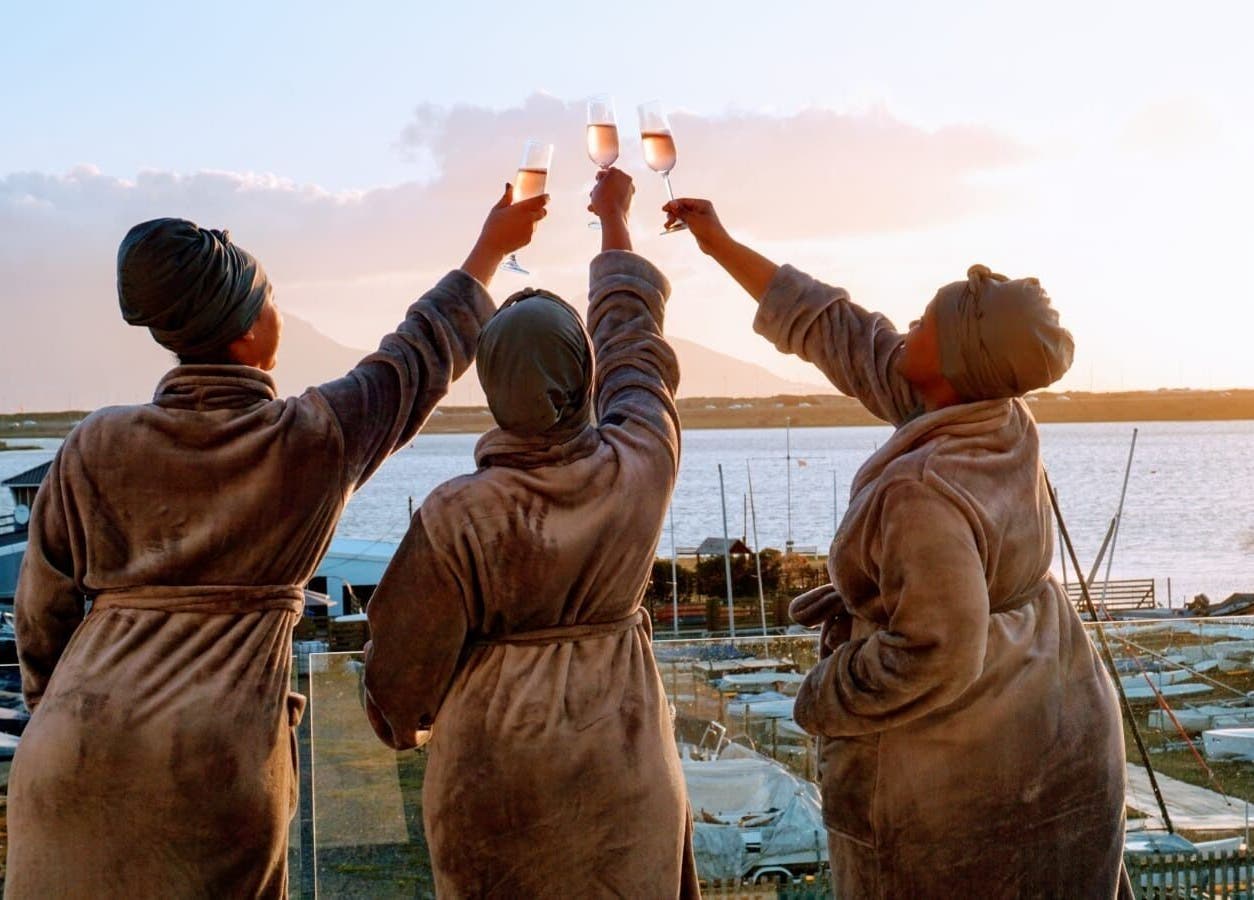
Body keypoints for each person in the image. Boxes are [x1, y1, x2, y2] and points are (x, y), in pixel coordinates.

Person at [6, 185, 547, 899]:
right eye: (270, 300)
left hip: (69, 757)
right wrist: (488, 253)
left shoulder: (95, 443)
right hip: (214, 769)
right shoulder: (311, 438)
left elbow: (41, 617)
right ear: (246, 334)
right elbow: (418, 356)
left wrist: (59, 713)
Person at [664, 198, 1130, 899]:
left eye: (927, 322)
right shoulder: (991, 412)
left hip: (958, 773)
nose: (907, 324)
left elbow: (933, 649)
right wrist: (718, 242)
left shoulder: (922, 488)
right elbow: (836, 328)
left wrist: (824, 694)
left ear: (956, 361)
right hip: (1058, 722)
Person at [363, 168, 699, 899]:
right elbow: (635, 343)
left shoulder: (458, 515)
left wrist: (405, 726)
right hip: (624, 775)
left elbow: (398, 688)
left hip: (492, 791)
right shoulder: (641, 463)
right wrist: (614, 221)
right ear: (583, 377)